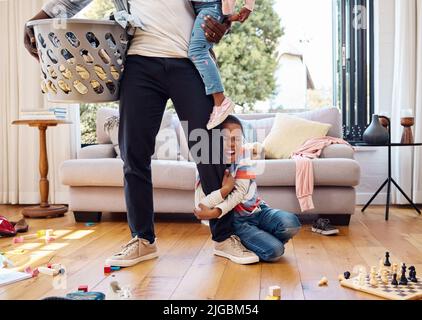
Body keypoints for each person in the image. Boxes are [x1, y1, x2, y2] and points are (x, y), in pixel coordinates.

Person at [24, 0, 258, 267]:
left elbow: (213, 7)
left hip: (189, 62)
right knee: (133, 154)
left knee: (209, 150)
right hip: (139, 64)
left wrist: (224, 24)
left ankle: (224, 236)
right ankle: (142, 239)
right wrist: (38, 18)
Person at [194, 115, 301, 261]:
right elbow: (201, 203)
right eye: (225, 139)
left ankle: (259, 238)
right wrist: (224, 190)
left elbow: (240, 192)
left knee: (291, 223)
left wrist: (215, 211)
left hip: (258, 211)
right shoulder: (207, 166)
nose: (232, 144)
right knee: (275, 251)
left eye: (236, 139)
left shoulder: (243, 158)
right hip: (238, 223)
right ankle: (248, 239)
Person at [188, 0, 255, 129]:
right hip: (201, 7)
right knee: (198, 50)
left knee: (197, 51)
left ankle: (220, 101)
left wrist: (249, 5)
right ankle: (219, 101)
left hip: (210, 5)